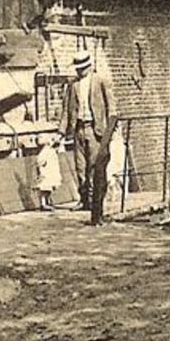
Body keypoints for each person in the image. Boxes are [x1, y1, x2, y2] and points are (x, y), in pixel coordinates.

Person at [61, 51, 116, 225]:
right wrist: (61, 132)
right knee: (80, 167)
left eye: (82, 68)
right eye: (77, 69)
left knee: (95, 167)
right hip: (78, 128)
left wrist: (109, 132)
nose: (79, 72)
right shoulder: (73, 85)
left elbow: (112, 107)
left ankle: (95, 205)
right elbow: (66, 109)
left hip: (95, 129)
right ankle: (84, 200)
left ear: (89, 66)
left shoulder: (101, 81)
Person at [35, 133, 63, 212]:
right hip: (46, 172)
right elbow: (40, 162)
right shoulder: (44, 152)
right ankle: (43, 204)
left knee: (49, 188)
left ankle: (48, 201)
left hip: (51, 171)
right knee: (44, 188)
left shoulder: (50, 150)